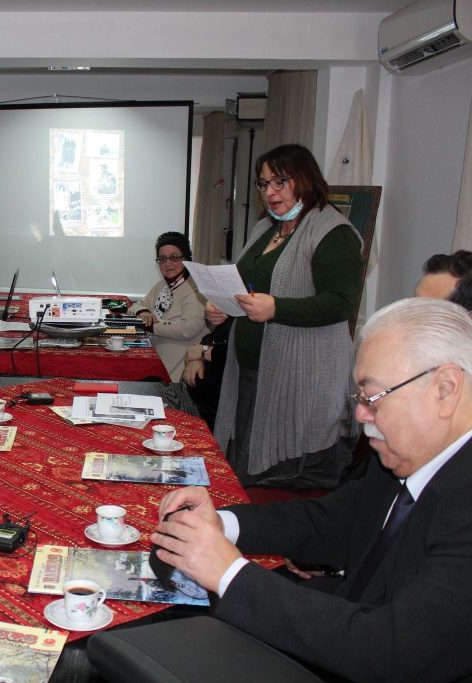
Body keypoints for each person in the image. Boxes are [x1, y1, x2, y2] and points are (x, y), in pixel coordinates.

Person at [152, 297, 472, 682]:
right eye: (359, 399)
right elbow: (330, 521)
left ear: (445, 389)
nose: (360, 415)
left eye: (373, 397)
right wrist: (223, 524)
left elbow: (395, 650)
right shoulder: (407, 454)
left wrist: (228, 573)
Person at [207, 144, 363, 488]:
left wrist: (277, 308)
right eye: (263, 184)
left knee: (277, 482)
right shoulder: (266, 228)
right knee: (242, 473)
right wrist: (224, 305)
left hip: (300, 379)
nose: (269, 192)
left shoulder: (333, 232)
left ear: (305, 179)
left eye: (279, 182)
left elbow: (340, 303)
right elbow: (247, 285)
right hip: (252, 373)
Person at [133, 232, 208, 382]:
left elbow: (188, 328)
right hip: (155, 358)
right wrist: (143, 312)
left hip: (177, 369)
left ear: (186, 259)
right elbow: (138, 305)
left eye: (174, 257)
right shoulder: (163, 286)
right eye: (162, 259)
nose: (168, 263)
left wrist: (150, 325)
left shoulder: (197, 288)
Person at [182, 319, 232, 429]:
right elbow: (202, 345)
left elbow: (233, 356)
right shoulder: (218, 331)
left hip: (219, 414)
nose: (210, 310)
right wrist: (196, 359)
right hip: (195, 405)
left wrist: (204, 353)